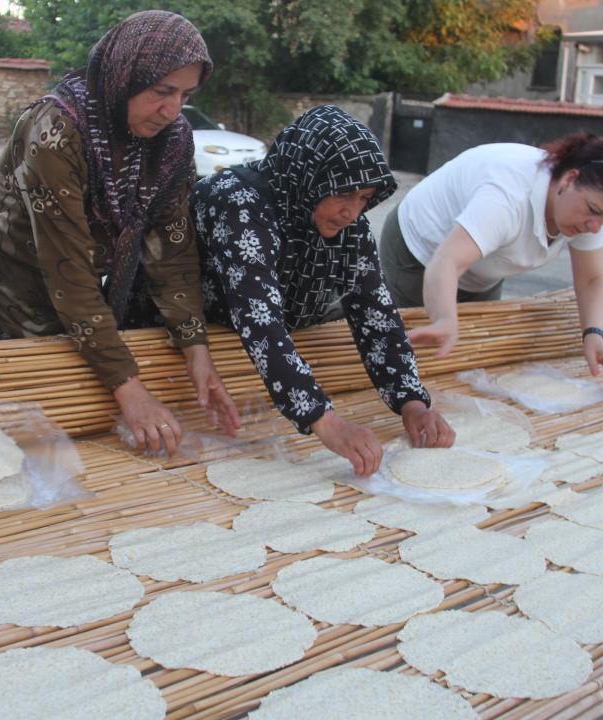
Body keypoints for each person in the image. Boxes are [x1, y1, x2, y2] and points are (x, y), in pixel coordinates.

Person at [0, 10, 240, 455]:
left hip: (60, 294)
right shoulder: (57, 129)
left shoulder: (171, 142)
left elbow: (171, 250)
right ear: (125, 75)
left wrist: (197, 351)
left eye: (185, 95)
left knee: (53, 439)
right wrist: (129, 388)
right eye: (161, 91)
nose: (171, 110)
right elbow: (68, 269)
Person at [190, 105, 453, 477]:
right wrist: (325, 421)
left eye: (364, 198)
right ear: (309, 175)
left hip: (264, 353)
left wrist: (412, 403)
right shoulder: (240, 204)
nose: (352, 211)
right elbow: (262, 321)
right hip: (186, 345)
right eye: (344, 194)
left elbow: (375, 314)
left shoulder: (349, 226)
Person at [380, 133, 603, 385]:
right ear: (569, 180)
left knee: (469, 360)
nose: (596, 227)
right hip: (420, 248)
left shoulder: (588, 210)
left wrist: (595, 334)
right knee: (405, 352)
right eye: (594, 212)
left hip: (482, 267)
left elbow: (592, 279)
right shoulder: (508, 194)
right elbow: (447, 261)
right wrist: (444, 319)